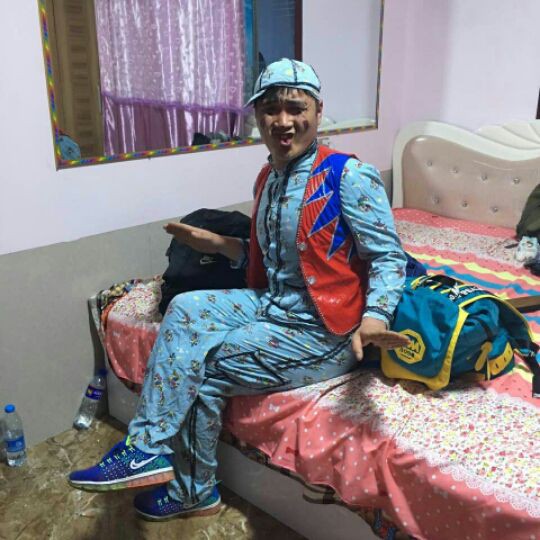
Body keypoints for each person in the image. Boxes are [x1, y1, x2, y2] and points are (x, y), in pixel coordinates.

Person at [68, 58, 409, 521]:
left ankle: (194, 490)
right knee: (185, 308)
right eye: (270, 109)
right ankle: (146, 449)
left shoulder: (348, 176)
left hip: (322, 330)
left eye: (296, 108)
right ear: (257, 116)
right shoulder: (268, 177)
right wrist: (217, 244)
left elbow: (388, 257)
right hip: (273, 304)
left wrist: (375, 317)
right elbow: (277, 259)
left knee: (201, 365)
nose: (283, 121)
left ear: (318, 111)